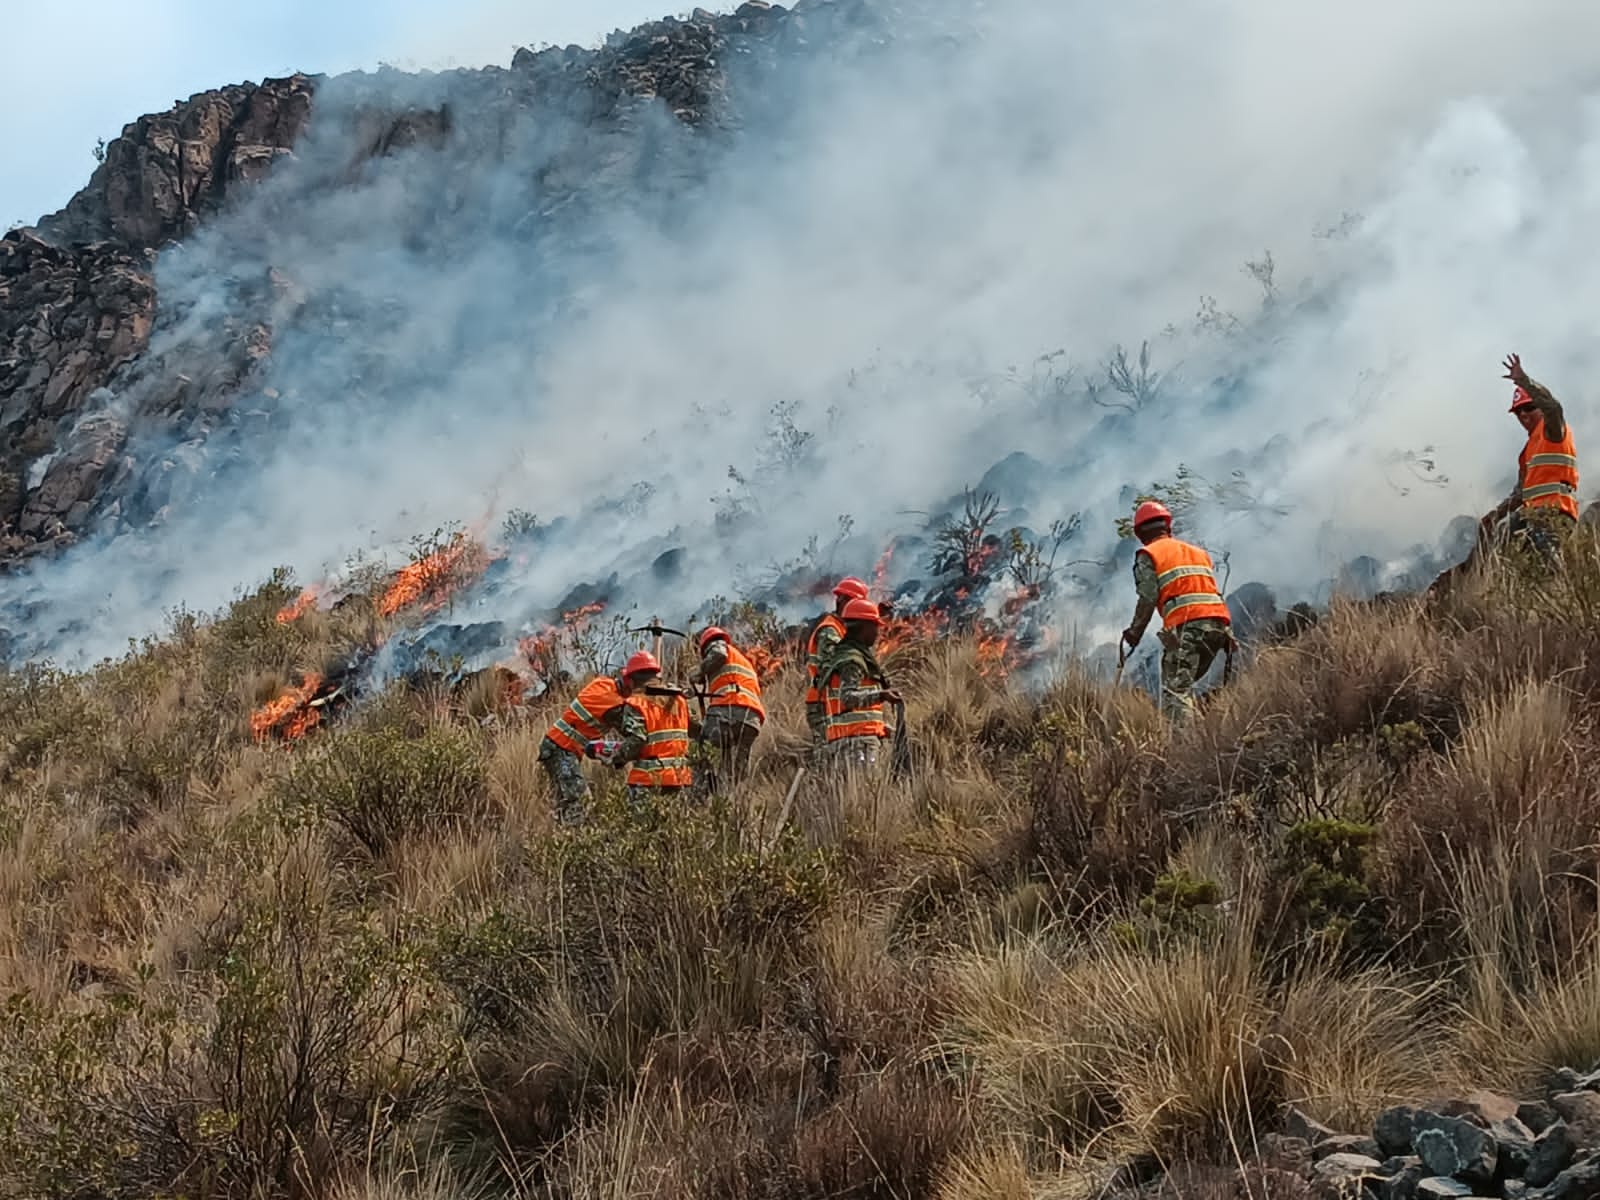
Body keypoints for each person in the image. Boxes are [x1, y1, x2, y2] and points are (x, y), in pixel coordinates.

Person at [1121, 500, 1234, 721]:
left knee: (1175, 691)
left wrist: (1134, 633)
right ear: (1167, 526)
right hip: (1219, 627)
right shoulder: (1197, 552)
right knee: (1185, 683)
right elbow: (1209, 590)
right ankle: (1208, 728)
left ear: (1140, 534)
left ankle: (1187, 747)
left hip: (1188, 627)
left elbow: (1148, 598)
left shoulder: (1148, 554)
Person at [1482, 352, 1579, 567]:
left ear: (1540, 409)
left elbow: (1553, 407)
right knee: (1504, 531)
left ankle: (1559, 587)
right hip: (1532, 514)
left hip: (1556, 512)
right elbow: (1520, 493)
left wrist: (1523, 381)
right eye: (1518, 412)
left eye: (1528, 408)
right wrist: (1495, 515)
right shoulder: (1529, 451)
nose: (1523, 415)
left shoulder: (1553, 430)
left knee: (1547, 558)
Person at [817, 598, 903, 772]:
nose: (877, 633)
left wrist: (882, 728)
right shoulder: (852, 661)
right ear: (864, 628)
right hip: (857, 745)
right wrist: (882, 695)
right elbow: (848, 698)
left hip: (849, 742)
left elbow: (853, 713)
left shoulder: (845, 655)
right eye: (875, 627)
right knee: (864, 795)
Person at [607, 650, 699, 808]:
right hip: (680, 778)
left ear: (631, 680)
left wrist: (617, 757)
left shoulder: (636, 703)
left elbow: (637, 740)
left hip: (648, 780)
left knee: (642, 831)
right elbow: (695, 729)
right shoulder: (678, 700)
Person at [538, 668, 627, 825]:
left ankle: (561, 836)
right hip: (562, 748)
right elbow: (630, 731)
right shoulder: (613, 704)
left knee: (566, 802)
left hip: (556, 745)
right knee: (580, 801)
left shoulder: (603, 683)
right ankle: (573, 840)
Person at [688, 626, 766, 790]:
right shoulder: (742, 660)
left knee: (702, 750)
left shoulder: (717, 645)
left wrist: (700, 671)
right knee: (733, 770)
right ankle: (729, 798)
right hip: (752, 719)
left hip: (729, 708)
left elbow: (718, 654)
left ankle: (698, 798)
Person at [805, 577, 870, 754]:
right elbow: (835, 664)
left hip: (831, 700)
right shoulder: (830, 630)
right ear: (842, 601)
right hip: (821, 702)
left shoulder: (840, 628)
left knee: (838, 754)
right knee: (826, 754)